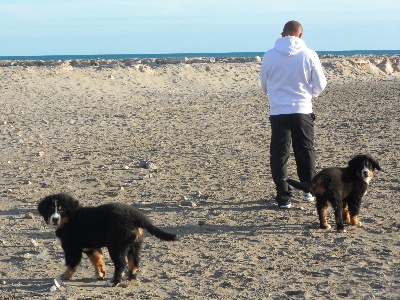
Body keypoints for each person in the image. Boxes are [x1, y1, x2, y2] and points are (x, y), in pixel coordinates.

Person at [260, 20, 327, 209]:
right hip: (302, 110)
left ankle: (283, 197)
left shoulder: (270, 55)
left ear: (283, 35)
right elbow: (320, 85)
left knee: (280, 154)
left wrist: (276, 95)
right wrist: (309, 94)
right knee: (305, 151)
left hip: (279, 111)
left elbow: (264, 86)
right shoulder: (309, 54)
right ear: (300, 35)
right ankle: (308, 190)